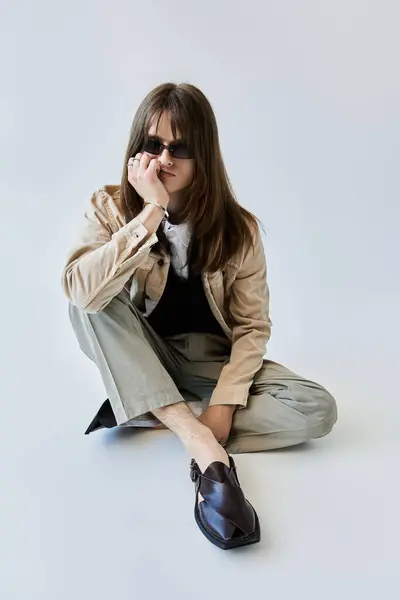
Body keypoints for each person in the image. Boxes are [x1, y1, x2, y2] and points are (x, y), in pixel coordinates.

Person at [61, 82, 338, 550]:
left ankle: (152, 408)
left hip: (211, 363)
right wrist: (150, 213)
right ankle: (200, 446)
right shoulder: (108, 207)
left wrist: (226, 403)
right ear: (136, 150)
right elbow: (81, 291)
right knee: (89, 299)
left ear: (203, 154)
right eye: (153, 144)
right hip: (145, 349)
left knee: (317, 409)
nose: (164, 158)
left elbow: (252, 327)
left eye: (179, 147)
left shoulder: (238, 229)